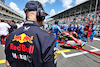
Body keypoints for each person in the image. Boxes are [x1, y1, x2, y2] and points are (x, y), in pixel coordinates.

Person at [5, 1, 56, 67]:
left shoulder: (10, 36)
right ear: (40, 14)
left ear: (26, 14)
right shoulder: (48, 38)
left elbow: (8, 64)